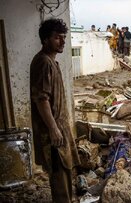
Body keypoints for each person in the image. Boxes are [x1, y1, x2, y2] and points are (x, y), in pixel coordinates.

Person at [30, 18, 80, 203]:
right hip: (53, 131)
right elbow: (41, 99)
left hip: (59, 128)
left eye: (64, 37)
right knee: (59, 175)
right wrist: (53, 128)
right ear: (45, 39)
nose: (63, 42)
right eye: (57, 38)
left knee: (65, 171)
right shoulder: (43, 62)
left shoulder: (52, 62)